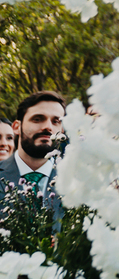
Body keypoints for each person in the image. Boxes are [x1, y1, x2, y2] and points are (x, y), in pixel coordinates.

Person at [0, 91, 66, 223]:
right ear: (16, 127)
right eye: (37, 119)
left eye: (56, 121)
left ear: (62, 131)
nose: (48, 127)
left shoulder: (76, 181)